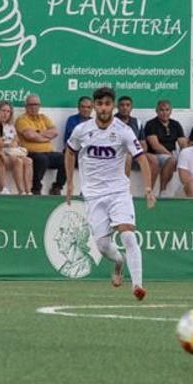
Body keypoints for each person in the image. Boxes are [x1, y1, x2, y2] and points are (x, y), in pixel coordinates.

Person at [62, 86, 156, 300]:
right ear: (94, 106)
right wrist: (69, 183)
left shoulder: (124, 130)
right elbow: (69, 152)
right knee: (103, 246)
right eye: (99, 104)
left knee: (129, 235)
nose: (103, 108)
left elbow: (142, 159)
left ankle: (137, 286)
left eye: (107, 104)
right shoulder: (81, 130)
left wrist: (149, 188)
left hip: (118, 192)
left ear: (113, 106)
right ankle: (118, 261)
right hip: (93, 194)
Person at [17, 94, 63, 195]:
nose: (34, 107)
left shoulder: (43, 118)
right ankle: (36, 188)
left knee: (66, 158)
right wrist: (46, 137)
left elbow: (55, 132)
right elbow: (29, 135)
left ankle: (57, 187)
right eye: (31, 104)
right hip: (31, 153)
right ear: (26, 106)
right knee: (41, 159)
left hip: (48, 152)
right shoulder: (22, 120)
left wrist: (37, 134)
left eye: (37, 104)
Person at [143, 100, 184, 197]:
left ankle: (162, 192)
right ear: (156, 111)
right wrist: (170, 155)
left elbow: (183, 143)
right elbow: (155, 146)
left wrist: (184, 156)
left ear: (171, 111)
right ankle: (150, 193)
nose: (164, 112)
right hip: (155, 154)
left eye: (167, 110)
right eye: (161, 110)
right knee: (171, 160)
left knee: (176, 160)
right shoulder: (151, 124)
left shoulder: (175, 124)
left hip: (171, 153)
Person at [0, 102, 30, 195]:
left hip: (12, 150)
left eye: (8, 111)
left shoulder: (10, 125)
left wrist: (15, 142)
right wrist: (7, 145)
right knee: (18, 161)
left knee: (28, 161)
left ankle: (28, 191)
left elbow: (16, 138)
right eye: (3, 111)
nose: (5, 113)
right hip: (2, 151)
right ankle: (21, 190)